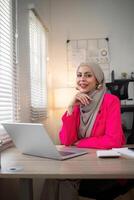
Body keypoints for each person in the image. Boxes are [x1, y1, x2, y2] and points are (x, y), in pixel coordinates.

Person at [41, 62, 126, 200]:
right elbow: (66, 140)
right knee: (53, 178)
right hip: (82, 160)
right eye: (79, 75)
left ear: (98, 80)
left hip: (105, 163)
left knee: (63, 181)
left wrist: (80, 143)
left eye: (88, 75)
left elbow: (114, 140)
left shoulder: (111, 101)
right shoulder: (78, 102)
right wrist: (70, 107)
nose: (82, 79)